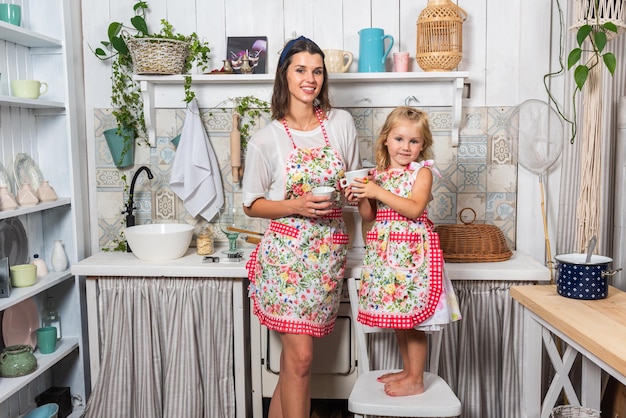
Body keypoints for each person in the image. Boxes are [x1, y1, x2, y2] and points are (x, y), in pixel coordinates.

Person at [242, 36, 361, 418]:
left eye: (317, 71)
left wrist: (359, 192)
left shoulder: (341, 123)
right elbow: (251, 204)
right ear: (284, 75)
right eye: (301, 70)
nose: (310, 78)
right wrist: (296, 205)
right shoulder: (266, 138)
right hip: (286, 261)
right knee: (302, 359)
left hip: (326, 261)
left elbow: (353, 184)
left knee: (296, 365)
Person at [347, 106, 461, 397]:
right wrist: (360, 195)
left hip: (412, 257)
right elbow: (370, 215)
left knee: (415, 320)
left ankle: (417, 379)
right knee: (400, 316)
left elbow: (414, 208)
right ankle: (408, 371)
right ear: (386, 139)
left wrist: (376, 191)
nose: (406, 147)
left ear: (423, 145)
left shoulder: (422, 173)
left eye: (414, 141)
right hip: (387, 257)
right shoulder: (377, 174)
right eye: (399, 139)